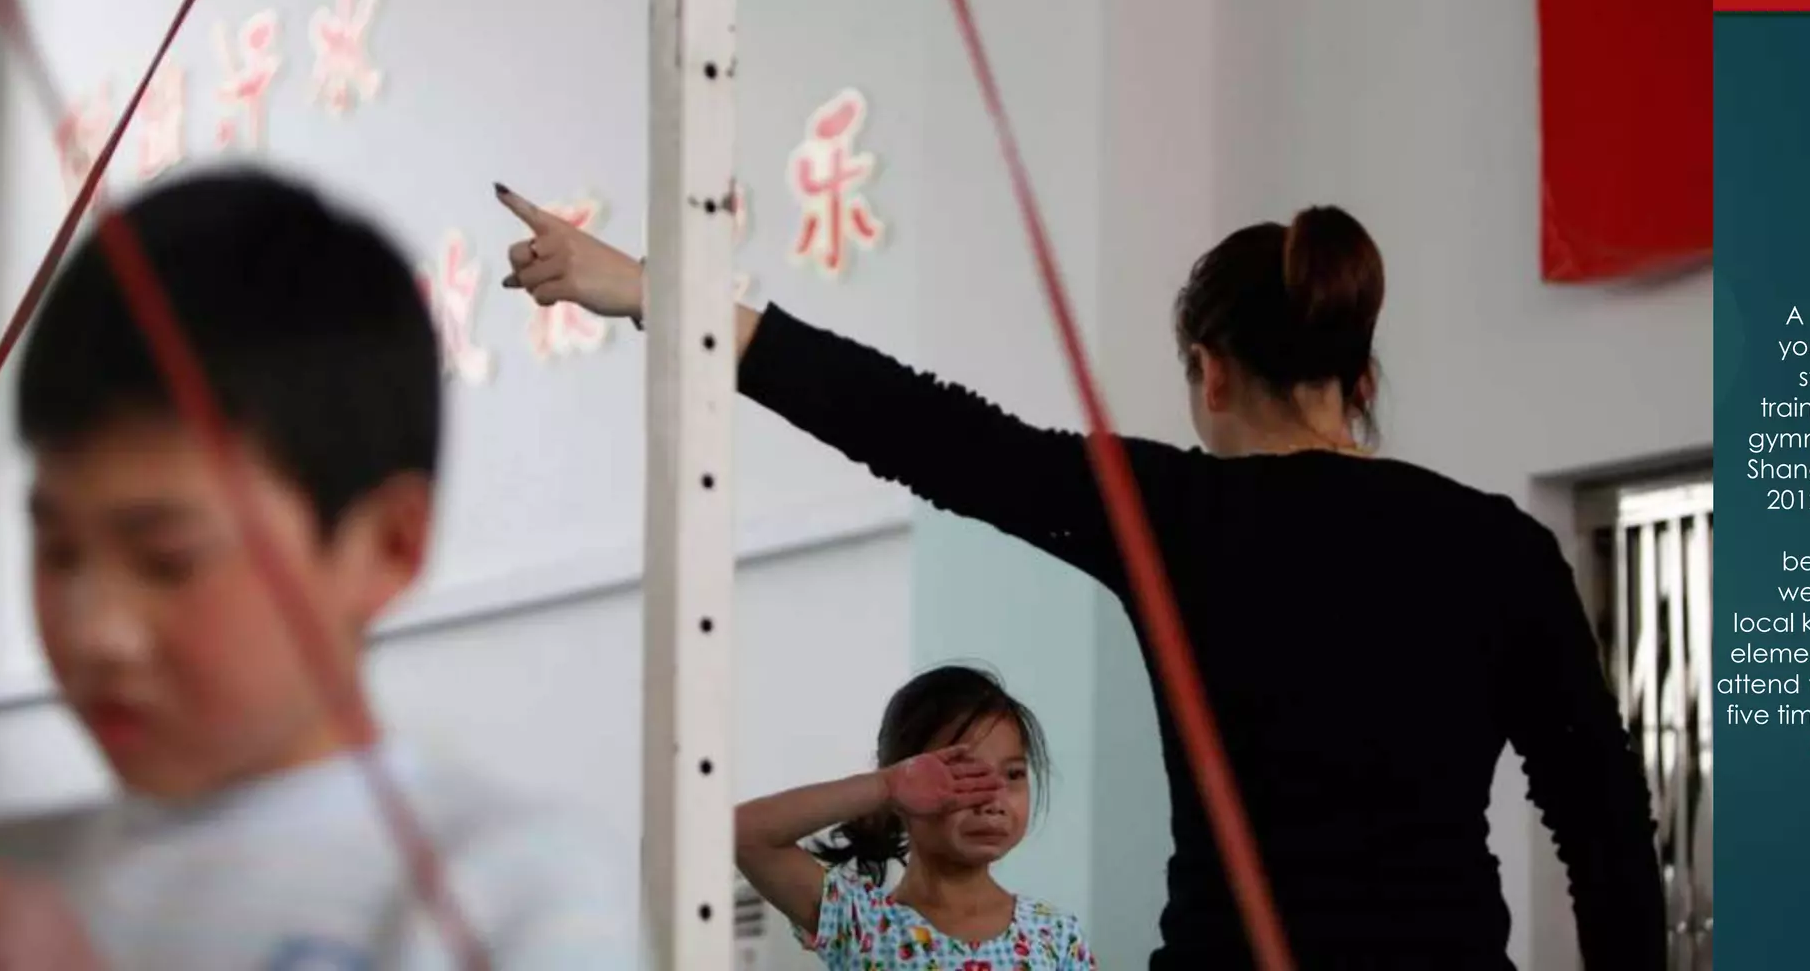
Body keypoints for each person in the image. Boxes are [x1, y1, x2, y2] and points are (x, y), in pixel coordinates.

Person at [497, 184, 1667, 968]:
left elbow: (923, 429)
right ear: (1359, 371)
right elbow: (1605, 832)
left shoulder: (1184, 512)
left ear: (1207, 374)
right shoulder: (1498, 544)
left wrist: (654, 290)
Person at [0, 171, 639, 969]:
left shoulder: (515, 889)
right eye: (59, 551)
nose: (96, 630)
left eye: (168, 560)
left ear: (389, 545)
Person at [734, 665, 1096, 970]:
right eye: (964, 775)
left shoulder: (1055, 935)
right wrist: (885, 786)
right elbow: (744, 832)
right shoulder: (862, 924)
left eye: (1014, 774)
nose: (993, 800)